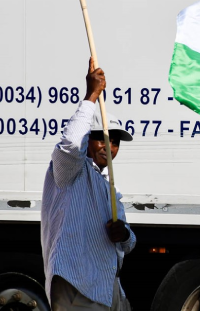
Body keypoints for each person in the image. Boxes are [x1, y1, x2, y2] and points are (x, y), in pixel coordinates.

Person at [41, 58, 136, 311]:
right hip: (78, 287)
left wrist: (124, 233)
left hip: (108, 289)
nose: (109, 146)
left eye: (115, 141)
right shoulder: (71, 170)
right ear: (88, 140)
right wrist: (91, 95)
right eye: (102, 139)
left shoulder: (109, 189)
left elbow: (129, 243)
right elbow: (72, 144)